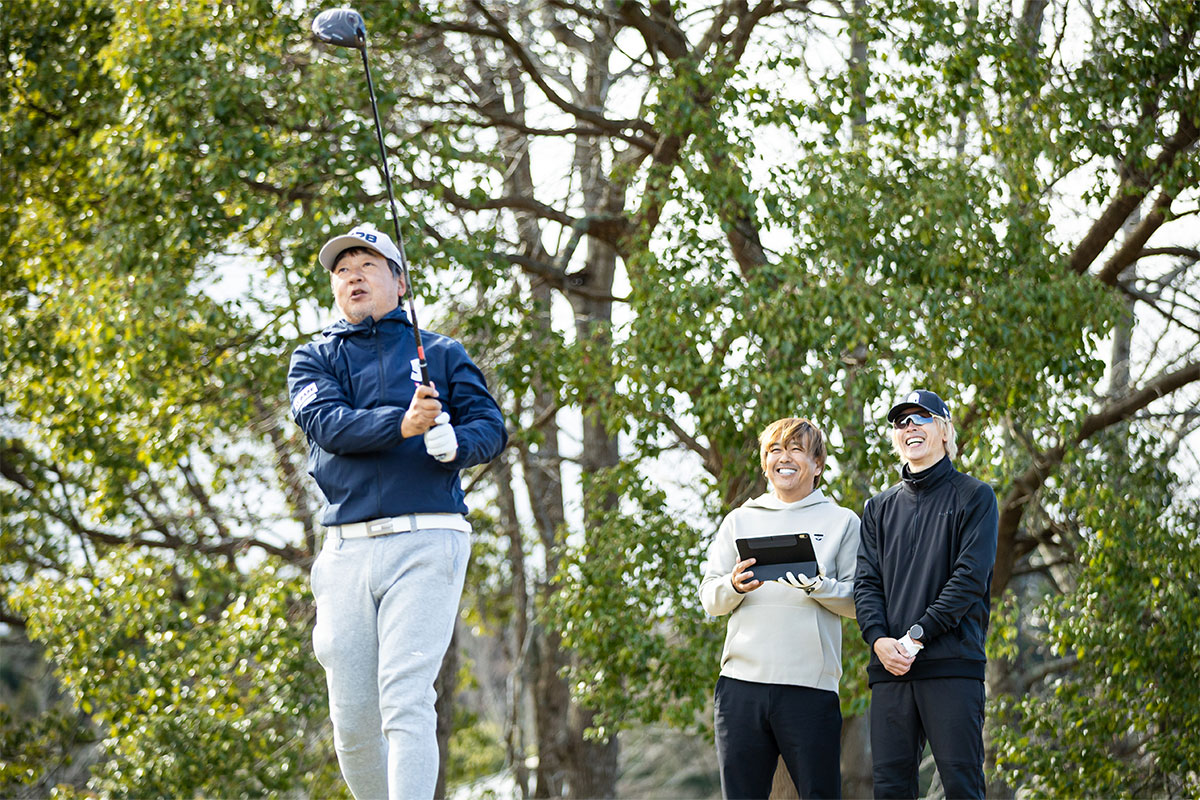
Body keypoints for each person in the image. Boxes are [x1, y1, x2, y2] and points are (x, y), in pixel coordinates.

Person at [287, 224, 507, 800]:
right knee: (353, 721)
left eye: (368, 265)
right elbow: (328, 425)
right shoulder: (313, 358)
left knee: (406, 696)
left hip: (428, 538)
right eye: (342, 270)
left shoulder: (442, 352)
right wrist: (402, 424)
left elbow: (490, 427)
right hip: (346, 548)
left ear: (400, 282)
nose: (353, 276)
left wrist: (457, 444)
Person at [700, 417, 860, 799]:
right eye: (775, 450)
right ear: (765, 463)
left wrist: (817, 585)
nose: (783, 458)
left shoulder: (842, 522)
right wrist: (734, 585)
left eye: (796, 450)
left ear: (817, 465)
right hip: (741, 688)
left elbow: (859, 602)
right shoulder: (739, 520)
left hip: (810, 689)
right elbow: (710, 598)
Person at [853, 389, 998, 800]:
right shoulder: (878, 508)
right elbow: (866, 583)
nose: (910, 427)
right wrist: (878, 640)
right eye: (901, 422)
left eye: (921, 418)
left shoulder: (976, 497)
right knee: (890, 790)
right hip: (891, 671)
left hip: (952, 666)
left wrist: (917, 636)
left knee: (962, 787)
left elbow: (969, 580)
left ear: (945, 431)